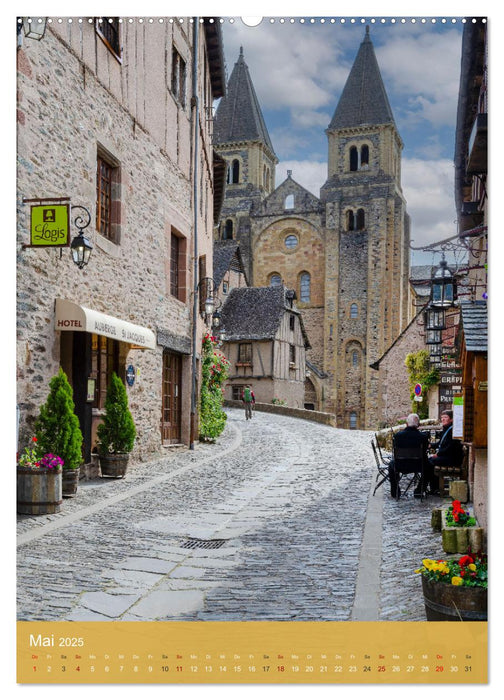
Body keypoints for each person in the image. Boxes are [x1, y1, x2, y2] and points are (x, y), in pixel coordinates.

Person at [388, 413, 430, 498]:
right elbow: (425, 451)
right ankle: (419, 490)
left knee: (391, 465)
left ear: (406, 424)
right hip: (418, 466)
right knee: (429, 466)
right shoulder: (423, 437)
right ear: (418, 425)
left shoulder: (397, 436)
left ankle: (395, 491)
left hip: (400, 465)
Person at [428, 410, 463, 492]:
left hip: (452, 458)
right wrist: (431, 445)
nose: (443, 419)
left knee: (430, 462)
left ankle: (435, 487)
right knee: (429, 462)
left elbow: (450, 447)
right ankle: (434, 486)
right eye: (442, 417)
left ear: (451, 419)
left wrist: (438, 454)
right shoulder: (446, 429)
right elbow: (441, 443)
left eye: (445, 417)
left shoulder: (453, 431)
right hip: (447, 456)